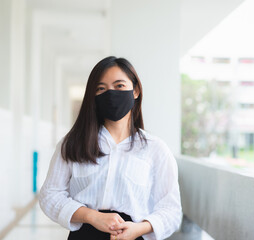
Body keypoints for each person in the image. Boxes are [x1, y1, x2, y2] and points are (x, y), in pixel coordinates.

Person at [39, 56, 183, 240]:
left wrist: (139, 229)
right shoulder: (73, 143)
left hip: (133, 236)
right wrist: (92, 216)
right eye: (101, 88)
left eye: (119, 86)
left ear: (136, 90)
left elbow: (171, 210)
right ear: (93, 96)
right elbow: (49, 195)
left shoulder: (156, 149)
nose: (111, 93)